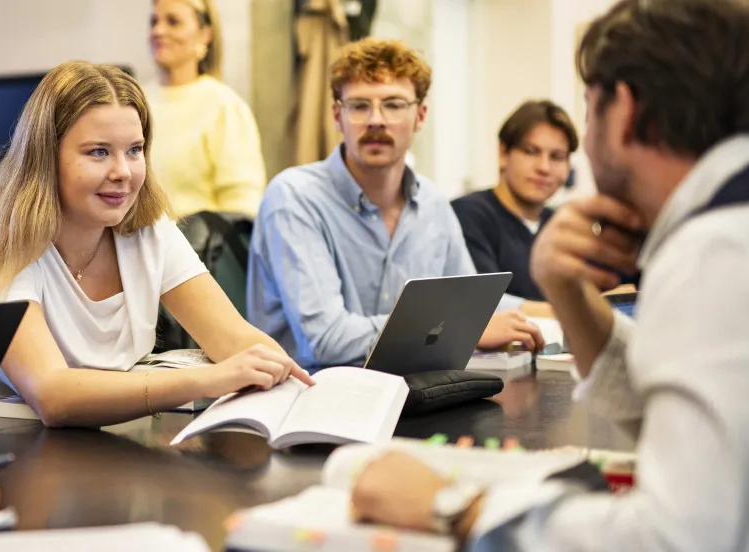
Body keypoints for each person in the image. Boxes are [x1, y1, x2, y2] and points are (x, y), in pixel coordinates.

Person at [351, 1, 749, 549]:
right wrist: (568, 292)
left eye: (587, 112)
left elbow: (678, 539)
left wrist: (458, 509)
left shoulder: (714, 251)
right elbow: (668, 415)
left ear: (625, 110)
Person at [0, 60, 314, 428]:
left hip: (123, 438)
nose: (123, 172)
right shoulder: (4, 247)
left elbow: (233, 338)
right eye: (99, 152)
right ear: (46, 157)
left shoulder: (149, 228)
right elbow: (52, 394)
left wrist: (289, 382)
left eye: (134, 150)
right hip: (19, 450)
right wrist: (209, 380)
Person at [247, 38, 546, 371]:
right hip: (311, 398)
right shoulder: (294, 198)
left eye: (393, 104)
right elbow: (327, 340)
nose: (376, 120)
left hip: (407, 392)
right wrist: (466, 330)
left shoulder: (432, 204)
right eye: (359, 106)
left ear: (419, 115)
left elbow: (471, 303)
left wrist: (553, 311)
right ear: (337, 115)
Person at [146, 0, 266, 219]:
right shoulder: (136, 101)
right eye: (154, 22)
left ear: (205, 35)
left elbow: (242, 208)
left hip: (200, 250)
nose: (158, 31)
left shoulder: (224, 106)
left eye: (173, 22)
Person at [452, 100, 578, 303]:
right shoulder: (468, 215)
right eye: (530, 151)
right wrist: (577, 312)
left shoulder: (562, 225)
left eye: (556, 156)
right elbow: (483, 303)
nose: (544, 167)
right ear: (503, 153)